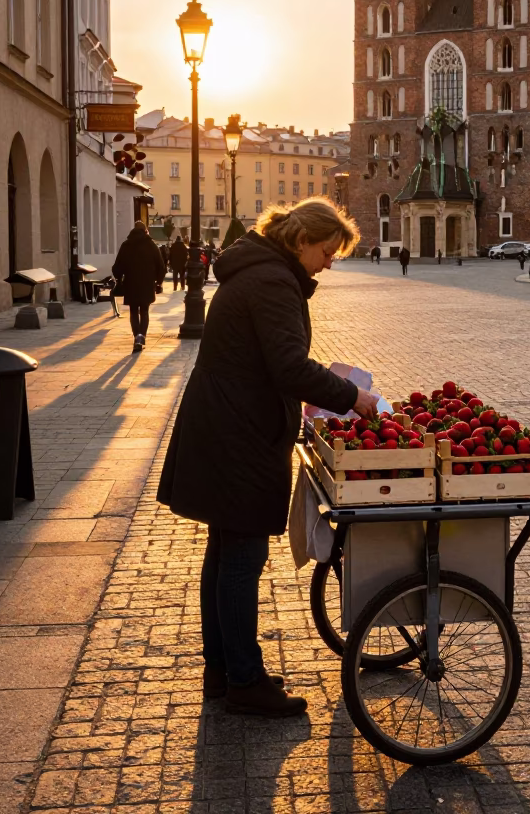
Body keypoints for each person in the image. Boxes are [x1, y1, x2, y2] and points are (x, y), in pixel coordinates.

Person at [158, 199, 378, 717]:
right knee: (242, 559)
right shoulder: (273, 281)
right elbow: (288, 366)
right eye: (326, 252)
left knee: (225, 553)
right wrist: (352, 395)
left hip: (226, 424)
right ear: (302, 240)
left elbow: (269, 359)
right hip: (239, 434)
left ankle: (225, 669)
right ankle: (245, 682)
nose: (328, 263)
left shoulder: (258, 270)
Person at [111, 221, 166, 353]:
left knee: (134, 311)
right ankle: (141, 337)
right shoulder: (151, 246)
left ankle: (136, 336)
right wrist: (158, 282)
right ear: (145, 231)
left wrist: (119, 278)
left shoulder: (126, 245)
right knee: (145, 311)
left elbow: (117, 267)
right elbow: (161, 267)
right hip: (147, 284)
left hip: (131, 283)